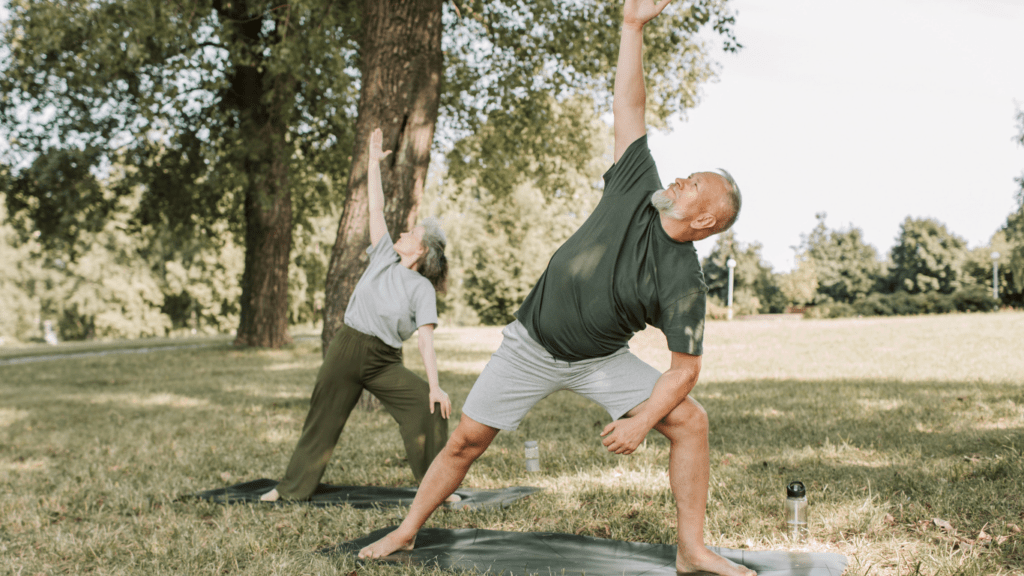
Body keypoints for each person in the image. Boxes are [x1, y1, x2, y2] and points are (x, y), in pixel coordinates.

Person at [360, 0, 752, 574]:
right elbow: (629, 103)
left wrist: (642, 421)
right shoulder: (636, 186)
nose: (679, 178)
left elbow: (684, 369)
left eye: (693, 185)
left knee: (690, 420)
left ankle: (692, 551)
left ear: (703, 222)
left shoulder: (683, 280)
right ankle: (406, 531)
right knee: (467, 441)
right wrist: (632, 26)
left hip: (599, 359)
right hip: (531, 345)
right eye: (687, 174)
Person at [261, 127, 452, 502]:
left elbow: (426, 342)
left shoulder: (421, 289)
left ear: (421, 250)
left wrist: (434, 385)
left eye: (410, 232)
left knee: (427, 405)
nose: (402, 231)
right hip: (347, 349)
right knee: (322, 418)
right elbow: (376, 206)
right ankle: (291, 490)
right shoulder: (383, 254)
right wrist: (372, 163)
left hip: (384, 361)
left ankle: (438, 491)